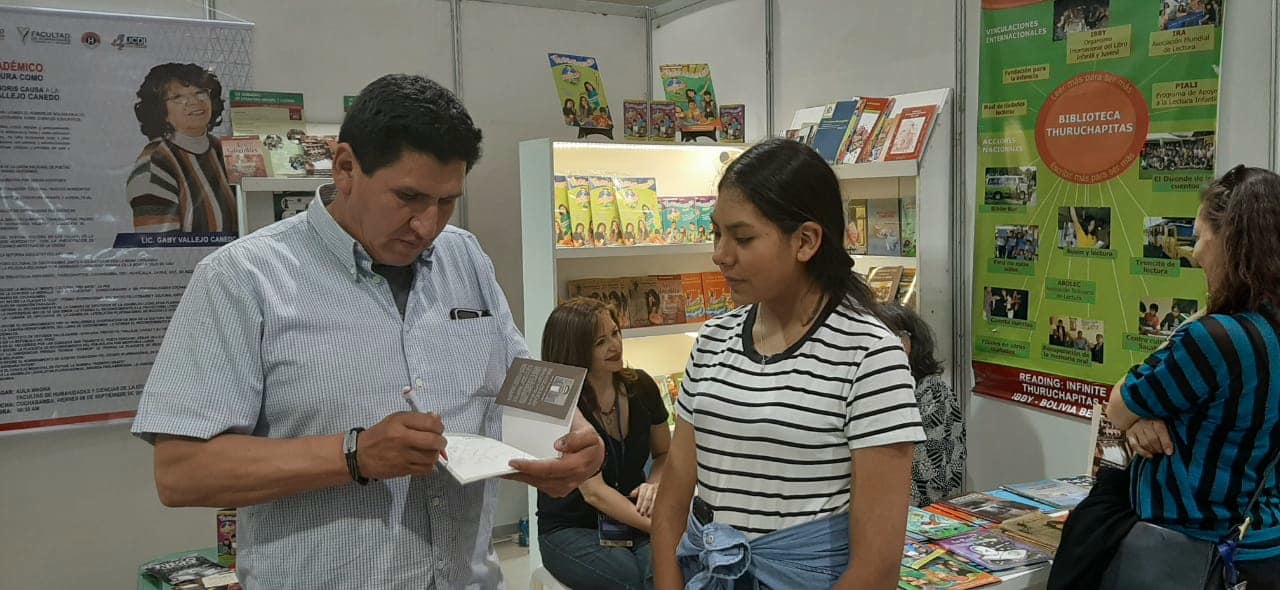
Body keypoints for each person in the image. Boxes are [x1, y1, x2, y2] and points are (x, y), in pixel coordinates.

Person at [130, 74, 604, 589]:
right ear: (346, 167)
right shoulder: (243, 278)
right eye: (408, 197)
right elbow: (180, 471)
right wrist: (352, 455)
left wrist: (569, 436)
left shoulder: (464, 255)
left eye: (446, 202)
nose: (427, 226)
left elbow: (516, 380)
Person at [652, 139, 925, 589]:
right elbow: (670, 507)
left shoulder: (870, 355)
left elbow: (876, 568)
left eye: (742, 238)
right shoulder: (714, 340)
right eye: (716, 233)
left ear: (806, 241)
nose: (721, 254)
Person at [1091, 165, 1278, 589]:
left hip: (1192, 549)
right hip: (1261, 542)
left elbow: (1119, 404)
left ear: (1230, 239)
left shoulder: (1218, 337)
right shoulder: (1267, 329)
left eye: (1199, 236)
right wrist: (1144, 418)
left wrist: (1136, 416)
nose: (1194, 253)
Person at [536, 299, 672, 589]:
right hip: (572, 527)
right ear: (576, 350)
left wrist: (655, 485)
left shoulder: (642, 386)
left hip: (633, 515)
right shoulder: (563, 405)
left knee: (664, 570)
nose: (615, 345)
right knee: (628, 578)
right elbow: (594, 494)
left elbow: (664, 453)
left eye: (615, 333)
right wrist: (662, 526)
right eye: (600, 341)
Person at [127, 63, 237, 233]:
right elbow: (158, 248)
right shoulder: (154, 164)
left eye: (200, 92)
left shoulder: (224, 151)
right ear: (160, 110)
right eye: (178, 97)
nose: (194, 102)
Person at [875, 303, 965, 508]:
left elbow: (932, 476)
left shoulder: (932, 392)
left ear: (914, 341)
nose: (883, 344)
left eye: (894, 335)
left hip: (917, 513)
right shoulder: (871, 384)